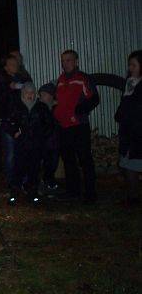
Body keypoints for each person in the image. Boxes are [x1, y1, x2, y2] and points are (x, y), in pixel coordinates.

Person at [54, 50, 99, 203]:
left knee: (85, 159)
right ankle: (73, 191)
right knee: (68, 160)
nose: (65, 63)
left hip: (79, 126)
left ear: (76, 61)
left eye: (68, 60)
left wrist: (79, 110)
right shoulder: (60, 80)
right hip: (64, 126)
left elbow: (94, 99)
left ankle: (90, 193)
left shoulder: (83, 78)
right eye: (63, 60)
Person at [4, 83, 53, 204]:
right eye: (27, 92)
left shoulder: (41, 107)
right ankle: (14, 193)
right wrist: (14, 131)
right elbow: (6, 122)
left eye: (32, 93)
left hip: (36, 145)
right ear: (23, 93)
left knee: (34, 170)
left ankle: (33, 193)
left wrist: (42, 136)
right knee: (18, 169)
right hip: (21, 144)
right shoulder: (16, 106)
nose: (30, 95)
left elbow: (49, 124)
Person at [0, 54, 32, 189]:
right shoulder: (2, 81)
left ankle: (25, 182)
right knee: (10, 154)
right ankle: (12, 184)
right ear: (6, 67)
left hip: (22, 121)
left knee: (23, 152)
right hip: (8, 123)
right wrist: (8, 88)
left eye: (16, 63)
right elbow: (0, 102)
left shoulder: (23, 78)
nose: (15, 66)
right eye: (11, 64)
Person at [115, 50, 142, 206]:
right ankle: (132, 196)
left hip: (137, 131)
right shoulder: (130, 83)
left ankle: (133, 198)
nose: (131, 68)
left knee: (132, 165)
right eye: (129, 65)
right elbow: (125, 104)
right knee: (127, 165)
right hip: (128, 131)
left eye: (134, 65)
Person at [38, 83, 60, 193]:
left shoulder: (57, 109)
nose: (41, 97)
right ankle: (45, 182)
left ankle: (49, 182)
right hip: (44, 142)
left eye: (43, 94)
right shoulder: (40, 109)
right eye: (40, 94)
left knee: (53, 163)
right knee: (46, 163)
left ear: (51, 95)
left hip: (55, 141)